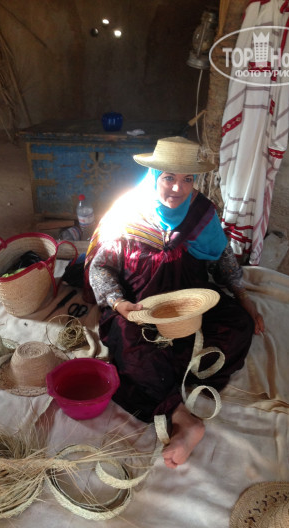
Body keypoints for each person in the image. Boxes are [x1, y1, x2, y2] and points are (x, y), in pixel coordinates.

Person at [83, 136, 264, 469]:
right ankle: (181, 416)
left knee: (238, 325)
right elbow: (101, 267)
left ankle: (174, 377)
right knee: (129, 344)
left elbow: (222, 258)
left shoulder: (202, 213)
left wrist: (243, 296)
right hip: (141, 308)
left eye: (187, 179)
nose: (178, 188)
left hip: (190, 303)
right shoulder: (127, 213)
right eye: (168, 177)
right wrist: (118, 303)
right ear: (154, 177)